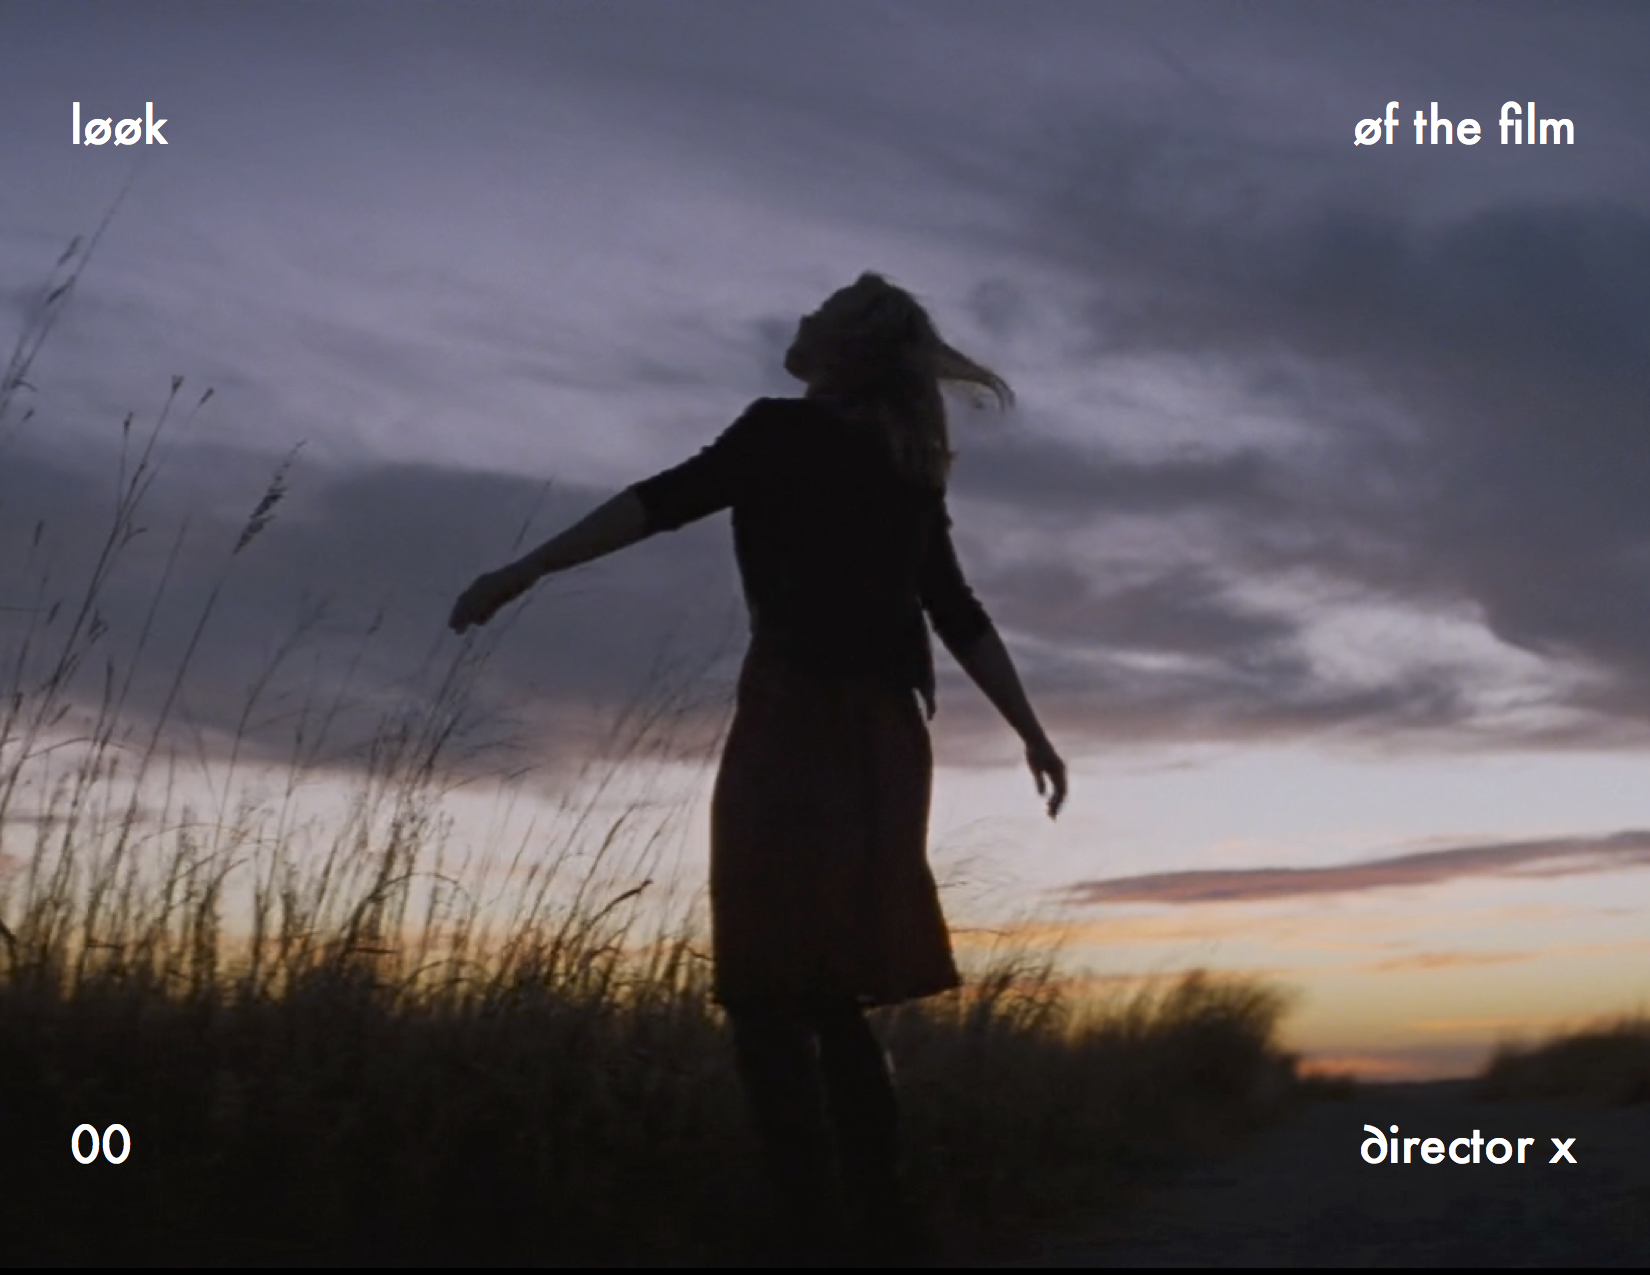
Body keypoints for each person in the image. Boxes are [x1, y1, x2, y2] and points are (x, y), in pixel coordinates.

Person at [449, 272, 1067, 1263]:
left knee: (768, 987)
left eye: (820, 312)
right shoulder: (903, 462)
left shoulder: (782, 432)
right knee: (827, 987)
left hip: (797, 722)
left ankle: (817, 1228)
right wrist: (1031, 732)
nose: (800, 318)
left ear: (847, 347)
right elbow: (955, 610)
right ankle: (881, 1223)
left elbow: (656, 503)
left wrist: (526, 568)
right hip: (885, 737)